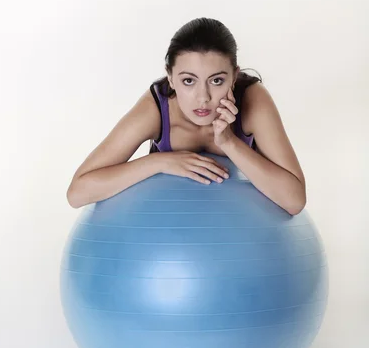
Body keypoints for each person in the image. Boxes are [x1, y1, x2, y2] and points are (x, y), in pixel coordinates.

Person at [66, 18, 306, 215]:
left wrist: (230, 143)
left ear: (234, 77)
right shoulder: (156, 108)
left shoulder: (254, 101)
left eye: (216, 80)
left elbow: (294, 201)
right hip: (163, 233)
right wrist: (159, 162)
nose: (203, 97)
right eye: (188, 81)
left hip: (243, 235)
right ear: (170, 77)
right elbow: (77, 193)